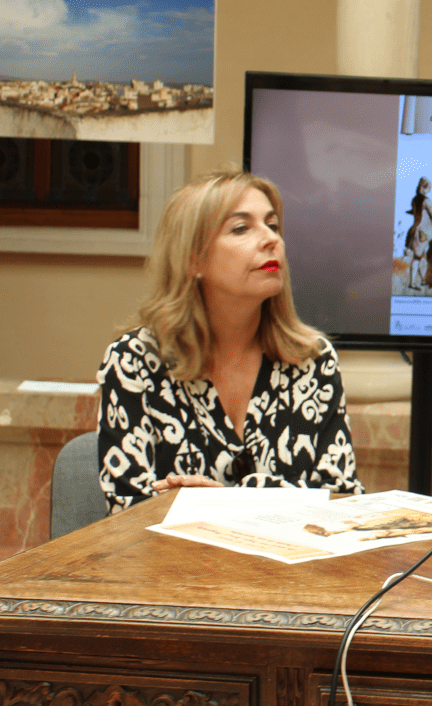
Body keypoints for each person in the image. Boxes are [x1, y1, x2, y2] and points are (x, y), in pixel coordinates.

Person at [97, 168, 362, 512]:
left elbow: (342, 500)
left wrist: (220, 501)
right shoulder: (135, 361)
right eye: (241, 228)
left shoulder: (312, 359)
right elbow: (126, 510)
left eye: (272, 225)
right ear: (193, 259)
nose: (271, 240)